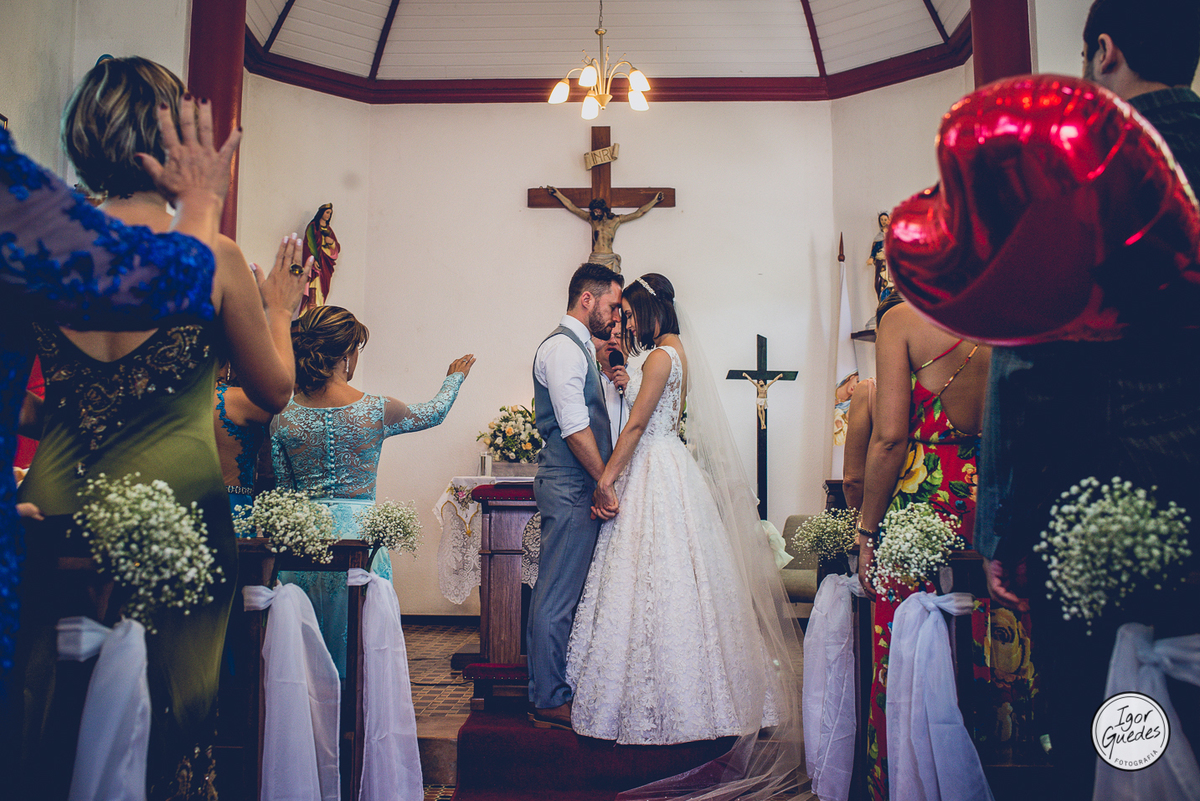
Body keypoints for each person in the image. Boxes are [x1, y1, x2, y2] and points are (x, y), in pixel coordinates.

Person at [884, 65, 1200, 796]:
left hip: (1097, 508)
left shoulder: (1077, 161)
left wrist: (1007, 529)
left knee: (1107, 727)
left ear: (1108, 51)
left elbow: (1026, 359)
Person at [14, 55, 306, 800]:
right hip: (176, 509)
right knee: (173, 725)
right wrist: (278, 308)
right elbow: (272, 390)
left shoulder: (51, 252)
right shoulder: (208, 255)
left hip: (56, 502)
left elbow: (25, 399)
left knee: (48, 719)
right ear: (173, 139)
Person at [0, 77, 234, 708]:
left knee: (40, 709)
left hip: (50, 490)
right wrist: (204, 202)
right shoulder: (12, 198)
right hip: (178, 498)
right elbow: (162, 288)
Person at [273, 305, 473, 677]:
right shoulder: (375, 410)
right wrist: (454, 379)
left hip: (302, 541)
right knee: (360, 644)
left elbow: (285, 492)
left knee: (306, 649)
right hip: (359, 539)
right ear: (348, 354)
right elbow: (434, 412)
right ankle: (357, 716)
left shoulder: (282, 416)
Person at [855, 299, 993, 801]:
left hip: (923, 511)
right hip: (990, 507)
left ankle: (909, 783)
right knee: (987, 646)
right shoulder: (1011, 312)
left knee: (903, 655)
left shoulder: (903, 322)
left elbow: (890, 438)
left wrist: (867, 532)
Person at [527, 262, 622, 730]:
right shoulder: (562, 349)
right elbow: (573, 426)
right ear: (587, 300)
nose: (614, 314)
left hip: (577, 483)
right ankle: (547, 697)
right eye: (611, 305)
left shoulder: (583, 348)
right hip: (569, 485)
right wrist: (604, 480)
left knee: (568, 592)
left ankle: (557, 685)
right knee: (557, 594)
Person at [544, 188, 663, 273]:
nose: (595, 213)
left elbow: (639, 213)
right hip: (595, 257)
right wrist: (557, 194)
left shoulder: (616, 220)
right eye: (593, 211)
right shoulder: (592, 219)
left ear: (603, 209)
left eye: (597, 210)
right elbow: (572, 207)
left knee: (609, 286)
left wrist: (655, 200)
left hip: (609, 258)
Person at [593, 319, 629, 449]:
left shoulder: (642, 380)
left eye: (619, 336)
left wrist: (632, 390)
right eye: (607, 336)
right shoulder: (585, 380)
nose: (612, 341)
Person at [301, 202, 339, 312]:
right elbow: (308, 244)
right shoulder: (313, 227)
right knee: (313, 284)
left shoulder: (329, 230)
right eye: (327, 212)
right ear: (321, 213)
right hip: (315, 263)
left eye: (330, 213)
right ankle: (309, 311)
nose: (328, 215)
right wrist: (312, 260)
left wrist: (331, 242)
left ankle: (318, 308)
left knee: (322, 288)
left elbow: (337, 247)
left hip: (325, 263)